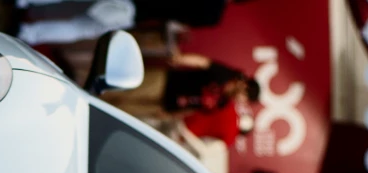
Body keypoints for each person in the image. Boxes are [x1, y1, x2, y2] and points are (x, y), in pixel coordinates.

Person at [100, 52, 260, 121]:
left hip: (165, 106)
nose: (242, 100)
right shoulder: (226, 75)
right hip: (166, 82)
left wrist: (170, 115)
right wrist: (181, 59)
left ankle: (95, 106)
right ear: (244, 86)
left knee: (123, 108)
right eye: (245, 96)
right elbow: (203, 62)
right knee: (121, 89)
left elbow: (194, 108)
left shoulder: (222, 103)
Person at [14, 0, 254, 45]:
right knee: (81, 27)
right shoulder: (212, 17)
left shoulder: (213, 15)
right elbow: (176, 22)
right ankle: (27, 32)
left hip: (139, 4)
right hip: (136, 13)